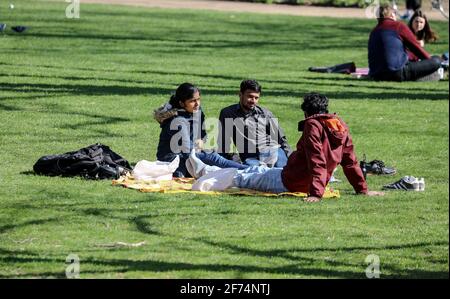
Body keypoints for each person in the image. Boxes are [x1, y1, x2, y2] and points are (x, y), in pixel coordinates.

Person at [187, 93, 384, 202]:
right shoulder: (339, 125)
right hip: (297, 177)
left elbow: (316, 160)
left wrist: (315, 195)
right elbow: (350, 161)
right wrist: (362, 189)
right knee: (255, 170)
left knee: (241, 176)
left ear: (307, 112)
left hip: (289, 181)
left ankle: (204, 169)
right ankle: (205, 167)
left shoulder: (312, 125)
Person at [155, 83, 247, 178]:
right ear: (182, 103)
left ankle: (243, 168)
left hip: (193, 152)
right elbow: (188, 150)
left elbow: (202, 134)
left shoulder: (197, 111)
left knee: (218, 153)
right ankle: (246, 169)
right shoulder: (177, 121)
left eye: (198, 99)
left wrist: (202, 141)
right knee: (211, 159)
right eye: (192, 101)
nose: (197, 104)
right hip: (175, 160)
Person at [218, 79, 292, 168]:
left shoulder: (265, 113)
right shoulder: (228, 113)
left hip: (273, 150)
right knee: (253, 174)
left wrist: (292, 159)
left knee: (282, 173)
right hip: (251, 158)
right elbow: (223, 143)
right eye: (250, 96)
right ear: (240, 94)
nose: (253, 101)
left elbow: (281, 138)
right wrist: (230, 159)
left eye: (256, 98)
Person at [368, 4, 442, 81]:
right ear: (392, 15)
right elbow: (417, 48)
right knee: (436, 60)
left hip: (376, 75)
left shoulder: (373, 31)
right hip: (396, 72)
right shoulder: (398, 26)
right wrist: (429, 62)